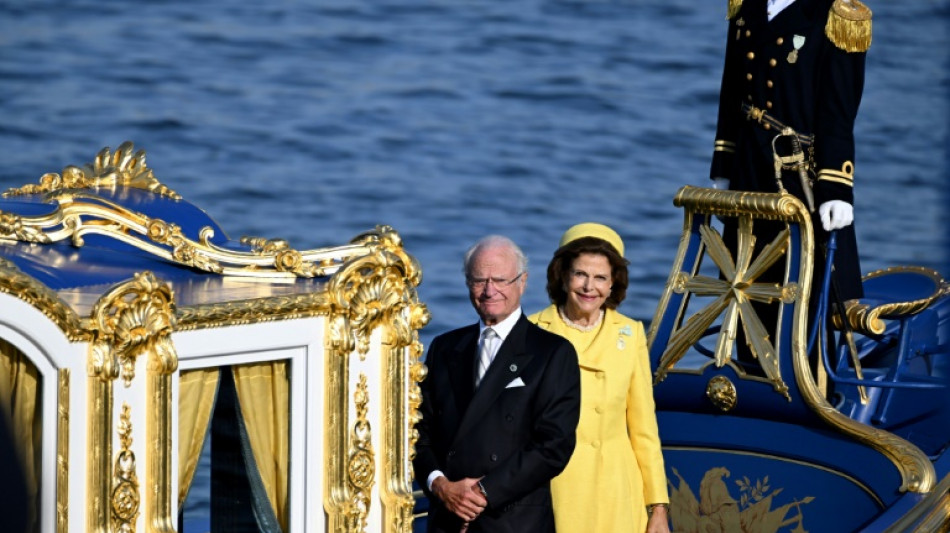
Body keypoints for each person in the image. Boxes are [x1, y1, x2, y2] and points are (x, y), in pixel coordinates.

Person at [413, 235, 581, 533]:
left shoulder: (552, 352)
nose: (490, 291)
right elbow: (418, 431)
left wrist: (482, 493)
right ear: (468, 283)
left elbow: (553, 445)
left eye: (501, 280)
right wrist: (440, 485)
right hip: (448, 518)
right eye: (480, 280)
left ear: (522, 282)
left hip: (514, 521)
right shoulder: (445, 347)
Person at [709, 0, 871, 302]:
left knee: (804, 287)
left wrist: (836, 187)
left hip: (798, 174)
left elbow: (838, 114)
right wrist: (723, 166)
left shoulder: (836, 17)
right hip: (748, 169)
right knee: (745, 289)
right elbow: (730, 93)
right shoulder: (746, 6)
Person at [529, 223, 670, 533]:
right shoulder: (532, 330)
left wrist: (658, 507)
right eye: (580, 274)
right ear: (563, 276)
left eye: (600, 278)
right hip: (553, 489)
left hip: (616, 492)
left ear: (612, 284)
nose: (588, 287)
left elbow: (644, 430)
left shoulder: (631, 334)